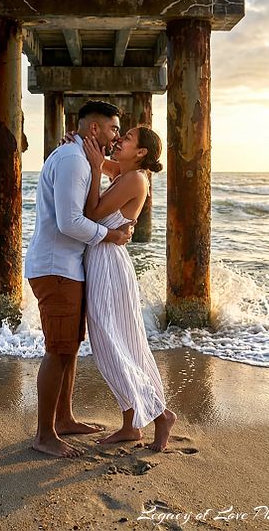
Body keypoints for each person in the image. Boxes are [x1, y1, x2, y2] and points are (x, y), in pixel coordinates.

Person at [24, 100, 135, 458]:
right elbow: (69, 221)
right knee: (58, 349)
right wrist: (111, 236)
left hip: (67, 267)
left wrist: (98, 165)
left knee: (69, 346)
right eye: (114, 129)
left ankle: (65, 418)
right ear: (94, 129)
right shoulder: (73, 159)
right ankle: (44, 435)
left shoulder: (79, 158)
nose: (116, 135)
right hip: (56, 268)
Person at [81, 126, 177, 451]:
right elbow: (98, 162)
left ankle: (161, 415)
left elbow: (92, 213)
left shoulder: (136, 179)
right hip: (103, 261)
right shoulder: (124, 173)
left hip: (109, 265)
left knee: (112, 342)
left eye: (129, 138)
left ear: (141, 153)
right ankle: (130, 424)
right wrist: (85, 143)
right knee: (118, 343)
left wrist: (95, 167)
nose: (120, 139)